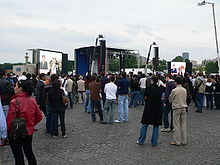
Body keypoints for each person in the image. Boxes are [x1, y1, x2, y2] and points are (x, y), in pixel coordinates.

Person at [6, 80, 42, 165]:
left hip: (16, 131)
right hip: (28, 131)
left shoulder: (14, 101)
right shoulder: (32, 100)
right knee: (29, 152)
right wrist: (31, 124)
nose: (14, 88)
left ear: (21, 89)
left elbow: (10, 120)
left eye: (16, 86)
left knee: (18, 156)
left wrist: (8, 131)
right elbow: (39, 116)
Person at [137, 76, 162, 147]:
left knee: (144, 124)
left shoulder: (148, 89)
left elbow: (145, 97)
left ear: (152, 81)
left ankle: (141, 140)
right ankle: (154, 142)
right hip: (157, 108)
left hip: (149, 108)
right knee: (156, 126)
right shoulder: (160, 89)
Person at [169, 76, 187, 146]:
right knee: (183, 124)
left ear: (175, 82)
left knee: (176, 125)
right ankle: (184, 140)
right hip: (184, 107)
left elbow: (170, 99)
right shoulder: (184, 90)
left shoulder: (174, 90)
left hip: (177, 108)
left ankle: (177, 141)